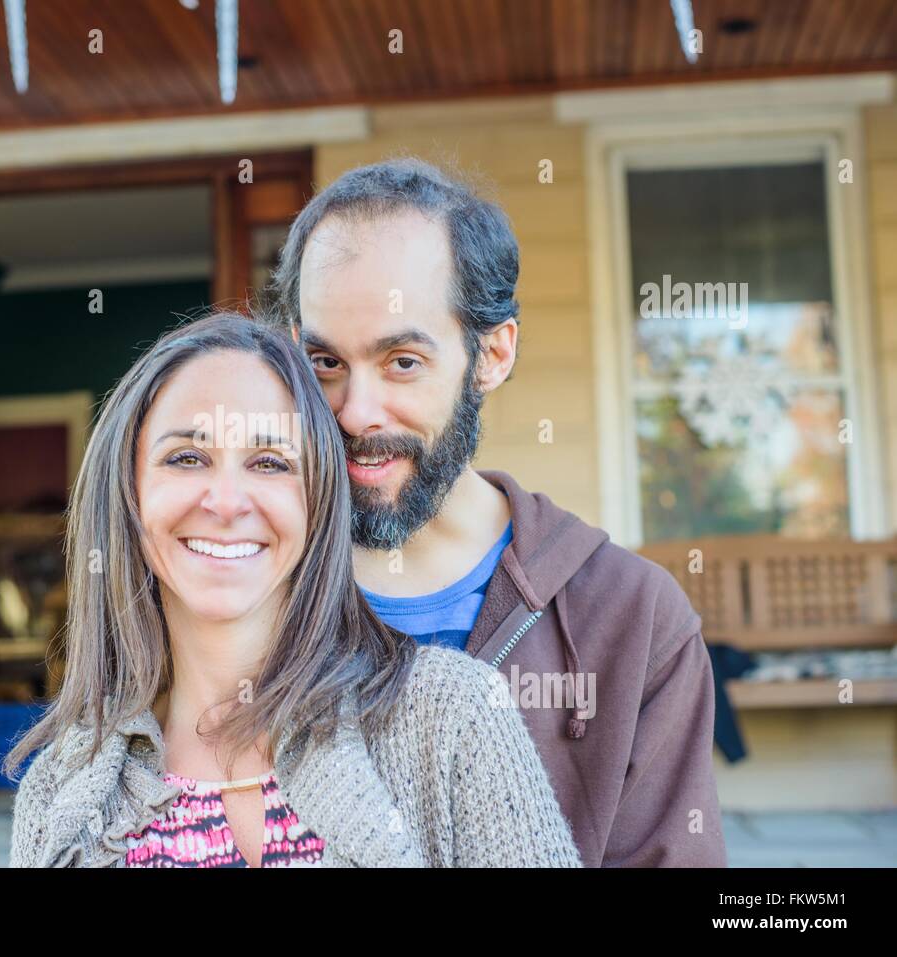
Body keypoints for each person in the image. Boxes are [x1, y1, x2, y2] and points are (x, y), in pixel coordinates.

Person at [269, 157, 727, 867]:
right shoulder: (248, 590)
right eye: (326, 362)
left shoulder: (631, 619)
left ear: (492, 352)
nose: (356, 412)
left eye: (402, 361)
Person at [6, 311, 581, 868]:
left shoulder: (454, 716)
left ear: (318, 498)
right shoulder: (60, 790)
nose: (227, 502)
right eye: (187, 457)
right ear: (128, 497)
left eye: (270, 462)